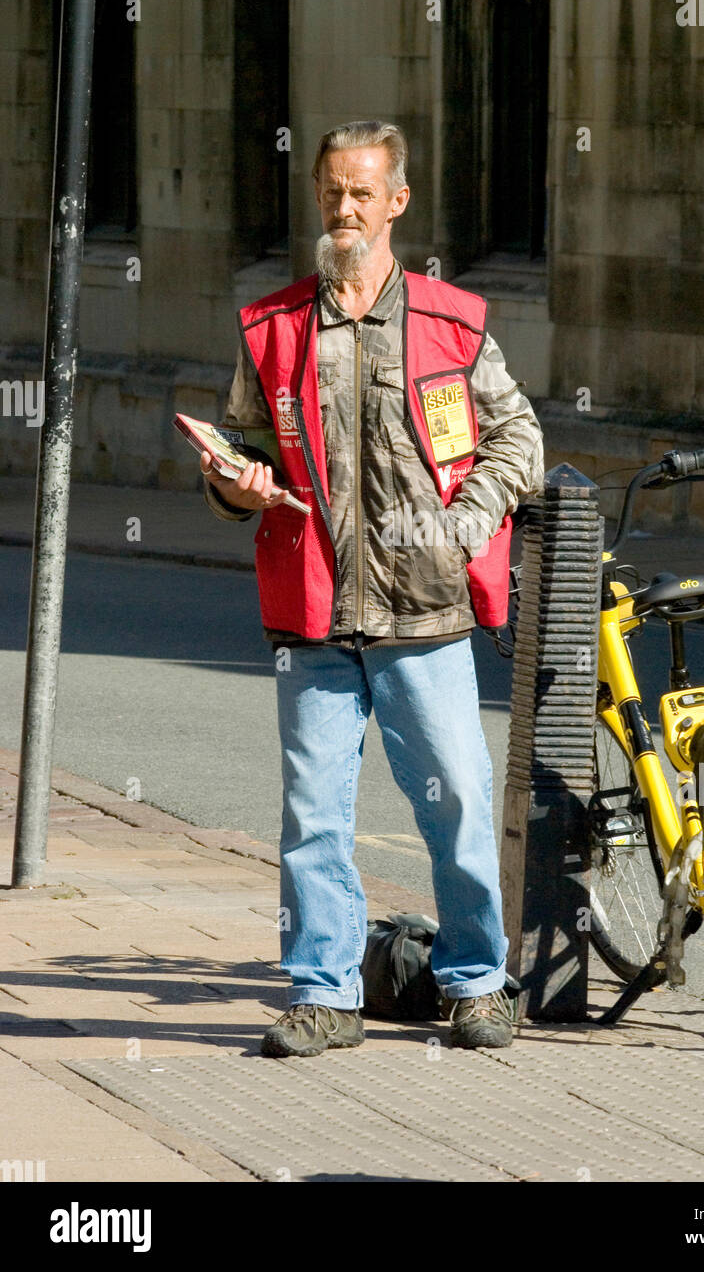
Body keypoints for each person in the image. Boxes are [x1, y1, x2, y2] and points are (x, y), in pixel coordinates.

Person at [201, 120, 544, 1057]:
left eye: (361, 193)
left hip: (423, 615)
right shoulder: (271, 329)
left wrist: (465, 524)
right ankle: (325, 994)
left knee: (460, 806)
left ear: (396, 201)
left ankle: (477, 983)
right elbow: (243, 450)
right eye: (330, 191)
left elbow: (520, 441)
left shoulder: (452, 321)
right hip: (313, 615)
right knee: (313, 819)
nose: (342, 209)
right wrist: (233, 484)